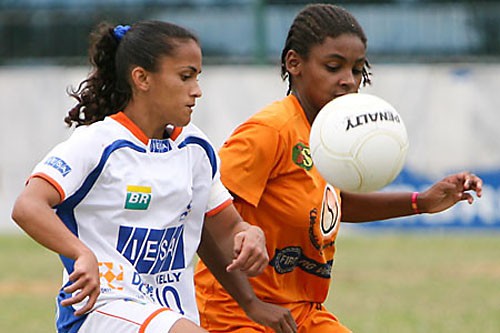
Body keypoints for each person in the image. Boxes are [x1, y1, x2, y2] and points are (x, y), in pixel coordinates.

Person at [194, 3, 483, 333]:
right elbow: (206, 212)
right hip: (236, 314)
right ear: (294, 63)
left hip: (301, 312)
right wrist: (252, 304)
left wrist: (420, 202)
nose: (349, 80)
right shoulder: (269, 131)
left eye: (358, 69)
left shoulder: (328, 133)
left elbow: (329, 207)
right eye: (334, 67)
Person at [10, 20, 287, 333]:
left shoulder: (194, 147)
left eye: (197, 76)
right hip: (101, 310)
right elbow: (28, 206)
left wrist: (249, 235)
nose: (196, 90)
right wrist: (80, 252)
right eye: (185, 77)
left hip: (169, 312)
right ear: (141, 78)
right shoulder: (98, 143)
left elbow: (223, 229)